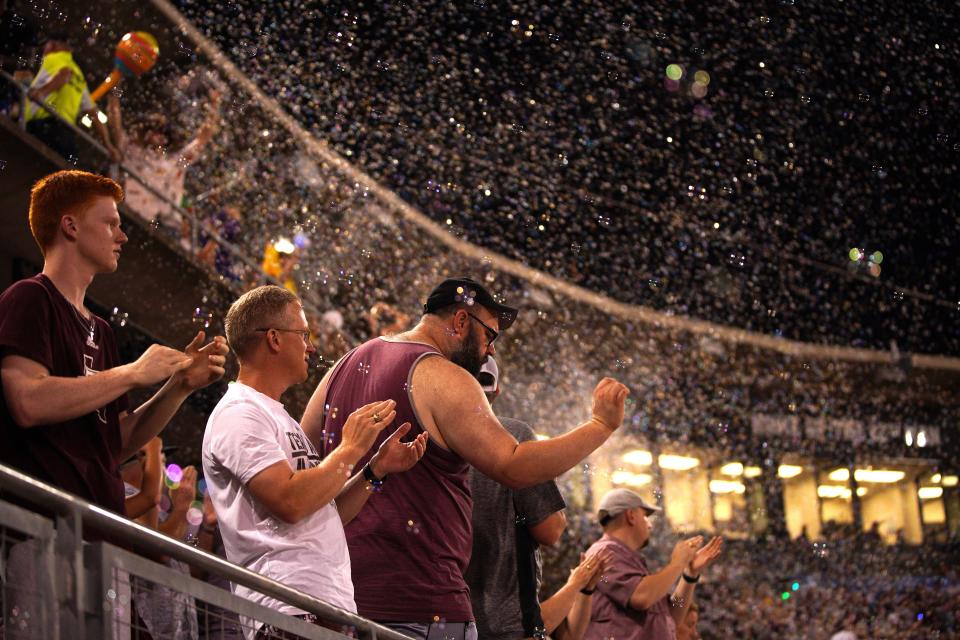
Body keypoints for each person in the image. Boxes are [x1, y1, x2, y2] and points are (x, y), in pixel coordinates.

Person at [301, 276, 630, 640]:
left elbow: (304, 456)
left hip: (337, 597)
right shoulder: (442, 374)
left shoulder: (346, 363)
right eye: (490, 336)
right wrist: (600, 426)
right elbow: (513, 464)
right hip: (422, 607)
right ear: (460, 322)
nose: (490, 351)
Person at [202, 285, 428, 637]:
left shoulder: (277, 417)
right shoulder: (239, 413)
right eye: (303, 334)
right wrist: (350, 449)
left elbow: (322, 509)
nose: (311, 346)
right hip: (289, 611)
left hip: (321, 609)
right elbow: (290, 502)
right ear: (274, 339)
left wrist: (375, 469)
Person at [0, 169, 228, 517]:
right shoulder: (30, 297)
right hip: (40, 523)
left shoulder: (102, 330)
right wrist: (131, 373)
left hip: (95, 527)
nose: (122, 237)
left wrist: (178, 387)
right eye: (110, 224)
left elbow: (113, 444)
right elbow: (27, 402)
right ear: (70, 226)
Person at [465, 357, 568, 640]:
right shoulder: (515, 436)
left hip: (440, 620)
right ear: (497, 391)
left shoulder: (428, 435)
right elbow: (550, 530)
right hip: (505, 623)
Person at [583, 489, 723, 640]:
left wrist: (690, 575)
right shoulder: (603, 552)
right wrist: (677, 563)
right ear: (631, 516)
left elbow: (674, 615)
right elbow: (641, 598)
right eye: (645, 517)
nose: (649, 525)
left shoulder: (630, 560)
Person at [106, 88, 221, 248]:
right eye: (153, 130)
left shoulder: (172, 163)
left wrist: (215, 105)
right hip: (118, 213)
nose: (158, 136)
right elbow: (114, 123)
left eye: (163, 133)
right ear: (145, 131)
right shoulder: (130, 149)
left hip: (144, 225)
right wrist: (114, 91)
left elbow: (203, 137)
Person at [25, 31, 121, 164]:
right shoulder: (80, 76)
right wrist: (108, 145)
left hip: (42, 126)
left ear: (53, 45)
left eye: (45, 45)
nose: (43, 50)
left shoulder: (54, 58)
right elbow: (94, 114)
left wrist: (42, 92)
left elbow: (64, 75)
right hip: (66, 135)